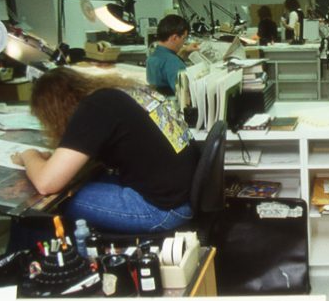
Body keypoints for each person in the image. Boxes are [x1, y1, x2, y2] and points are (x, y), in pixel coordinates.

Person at [11, 67, 197, 234]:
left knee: (40, 208)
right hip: (181, 196)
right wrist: (52, 162)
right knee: (81, 181)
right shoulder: (118, 94)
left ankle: (15, 267)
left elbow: (46, 183)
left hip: (160, 210)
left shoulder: (93, 108)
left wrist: (29, 155)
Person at [145, 15, 198, 95]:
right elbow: (184, 95)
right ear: (175, 38)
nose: (184, 43)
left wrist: (183, 52)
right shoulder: (173, 62)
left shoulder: (154, 55)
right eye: (184, 38)